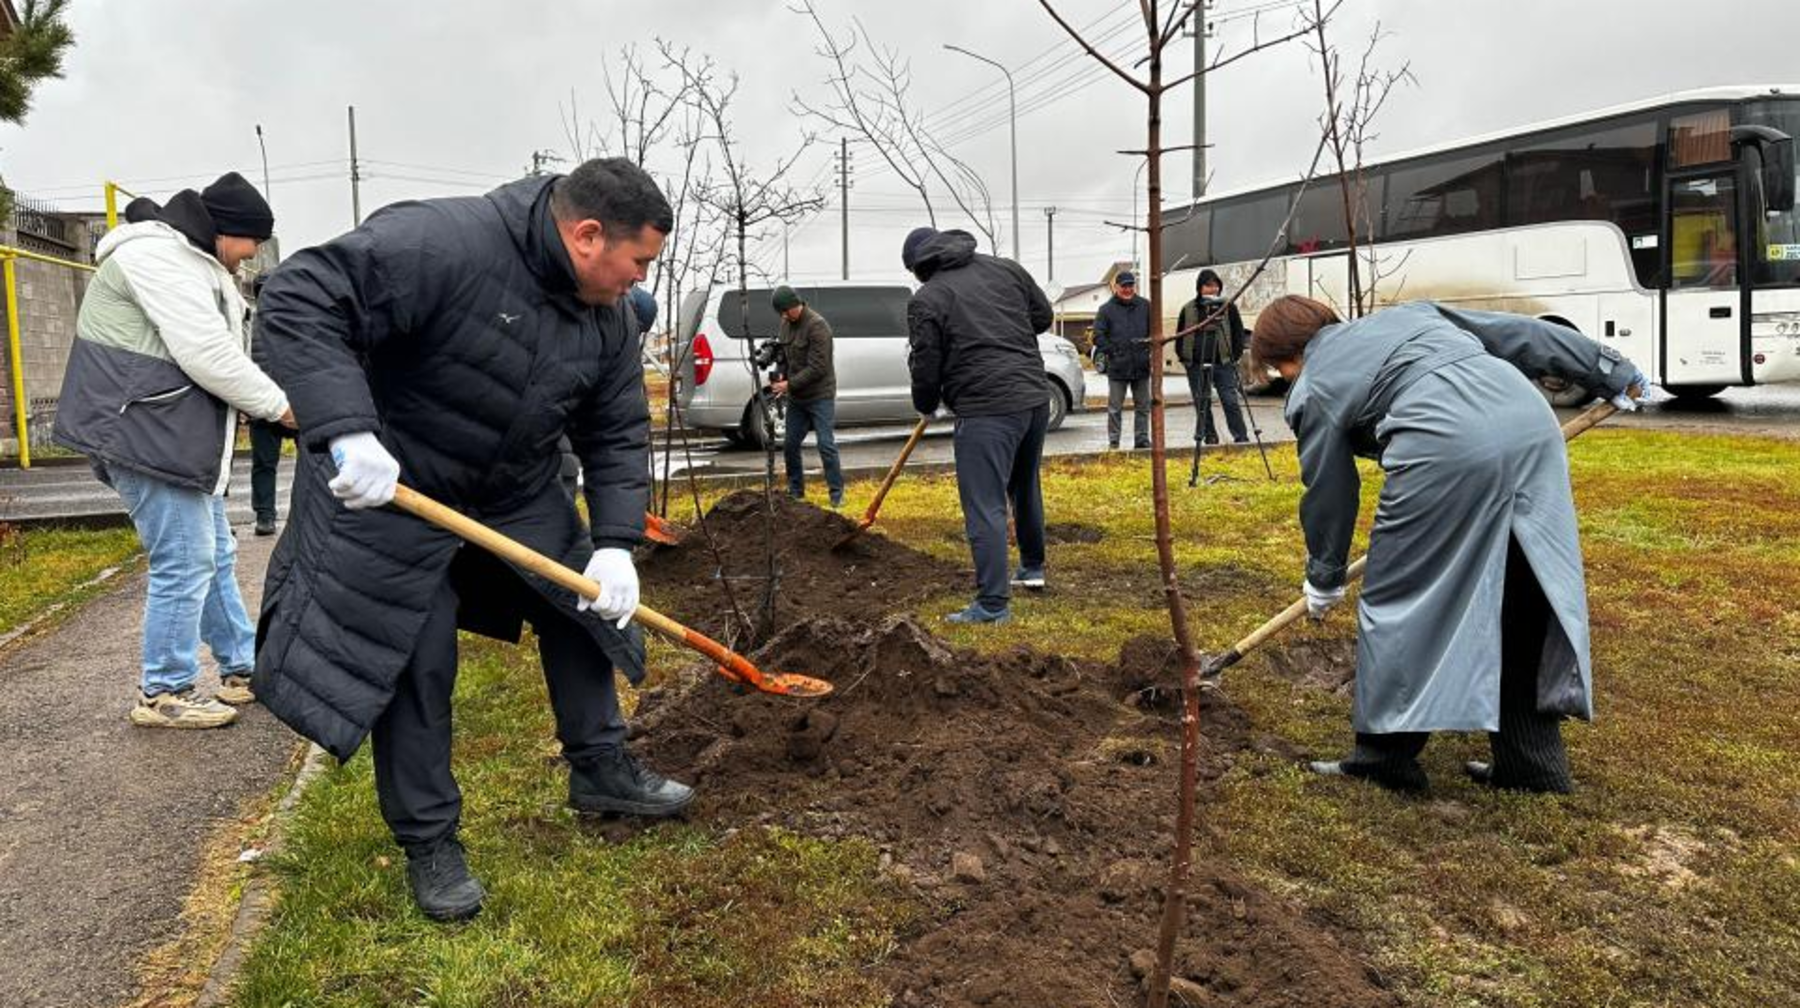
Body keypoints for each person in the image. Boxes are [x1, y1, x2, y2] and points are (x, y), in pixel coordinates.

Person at [252, 157, 693, 923]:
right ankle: (430, 841)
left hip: (512, 489)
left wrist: (617, 542)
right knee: (418, 658)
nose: (640, 279)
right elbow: (299, 297)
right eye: (640, 261)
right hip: (392, 486)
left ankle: (600, 768)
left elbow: (616, 429)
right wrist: (346, 430)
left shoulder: (610, 317)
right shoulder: (442, 243)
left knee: (585, 604)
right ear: (588, 236)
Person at [1251, 295, 1647, 794]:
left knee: (1400, 597)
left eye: (1280, 370)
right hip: (1528, 424)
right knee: (1521, 590)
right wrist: (1610, 370)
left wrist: (1324, 575)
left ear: (1285, 357)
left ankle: (1384, 759)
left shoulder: (1314, 385)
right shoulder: (1411, 315)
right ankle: (1532, 766)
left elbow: (1330, 489)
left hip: (1443, 446)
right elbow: (1522, 335)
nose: (1285, 379)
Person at [53, 172, 293, 728]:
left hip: (169, 435)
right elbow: (207, 353)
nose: (254, 253)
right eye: (252, 240)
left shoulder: (192, 259)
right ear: (226, 231)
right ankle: (164, 690)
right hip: (143, 434)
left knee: (212, 554)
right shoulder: (156, 258)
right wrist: (280, 407)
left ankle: (241, 668)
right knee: (184, 560)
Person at [903, 226, 1052, 624]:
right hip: (1035, 398)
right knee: (1024, 483)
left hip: (987, 408)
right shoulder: (1007, 270)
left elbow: (926, 361)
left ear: (919, 265)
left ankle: (992, 604)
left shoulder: (928, 298)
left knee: (984, 503)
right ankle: (1032, 568)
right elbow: (1043, 315)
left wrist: (926, 403)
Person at [769, 284, 844, 507]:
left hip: (820, 395)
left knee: (825, 444)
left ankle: (837, 495)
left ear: (795, 304)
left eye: (785, 311)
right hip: (798, 398)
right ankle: (796, 492)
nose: (783, 316)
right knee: (790, 444)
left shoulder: (817, 326)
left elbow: (818, 367)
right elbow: (784, 354)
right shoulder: (786, 324)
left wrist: (788, 385)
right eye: (780, 313)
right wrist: (779, 370)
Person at [1174, 268, 1249, 445]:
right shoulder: (1188, 308)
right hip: (1196, 364)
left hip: (1223, 363)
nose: (1213, 289)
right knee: (1202, 403)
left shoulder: (1228, 307)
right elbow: (1180, 334)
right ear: (1200, 287)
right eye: (1208, 285)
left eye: (1216, 286)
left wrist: (1234, 356)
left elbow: (1238, 334)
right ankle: (1210, 435)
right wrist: (1184, 358)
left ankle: (1241, 436)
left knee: (1230, 401)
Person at [1091, 270, 1152, 450]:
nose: (1127, 289)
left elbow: (1154, 332)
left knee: (1143, 407)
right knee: (1115, 408)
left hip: (1141, 365)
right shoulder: (1106, 310)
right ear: (1116, 287)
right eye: (1124, 286)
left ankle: (1142, 440)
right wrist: (1113, 351)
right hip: (1118, 367)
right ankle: (1114, 441)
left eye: (1130, 285)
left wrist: (1148, 349)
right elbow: (1097, 336)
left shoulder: (1145, 306)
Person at [247, 273, 288, 536]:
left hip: (287, 402)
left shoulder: (296, 317)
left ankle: (266, 516)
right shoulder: (247, 320)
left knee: (265, 463)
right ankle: (265, 516)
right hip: (263, 402)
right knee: (264, 462)